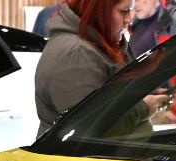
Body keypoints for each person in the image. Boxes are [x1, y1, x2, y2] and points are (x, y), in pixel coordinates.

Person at [33, 0, 165, 136]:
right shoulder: (76, 54)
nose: (129, 20)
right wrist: (144, 108)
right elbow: (91, 128)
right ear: (98, 10)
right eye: (124, 11)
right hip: (78, 156)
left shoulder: (102, 43)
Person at [128, 0, 176, 123]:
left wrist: (174, 113)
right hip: (145, 109)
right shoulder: (135, 23)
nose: (134, 5)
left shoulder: (174, 20)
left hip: (171, 112)